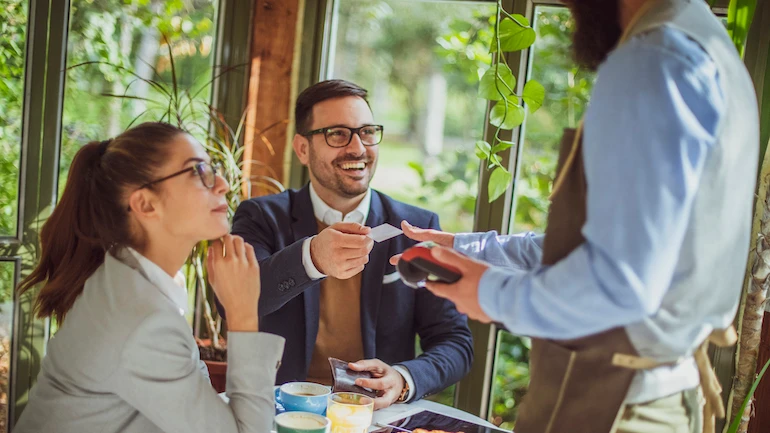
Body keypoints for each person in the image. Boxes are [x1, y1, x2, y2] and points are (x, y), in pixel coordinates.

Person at [394, 0, 759, 432]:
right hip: (658, 394)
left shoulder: (651, 61)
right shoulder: (706, 45)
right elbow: (614, 244)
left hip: (610, 404)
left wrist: (488, 294)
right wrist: (467, 248)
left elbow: (620, 281)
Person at [14, 122, 284, 433]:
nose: (222, 183)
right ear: (145, 204)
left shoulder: (129, 279)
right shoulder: (141, 319)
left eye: (213, 168)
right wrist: (242, 314)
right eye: (198, 172)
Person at [220, 79, 473, 410]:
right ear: (302, 149)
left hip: (373, 417)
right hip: (280, 412)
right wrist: (311, 258)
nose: (358, 148)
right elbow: (236, 302)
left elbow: (455, 342)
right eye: (337, 134)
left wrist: (402, 378)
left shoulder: (415, 228)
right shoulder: (261, 217)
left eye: (367, 132)